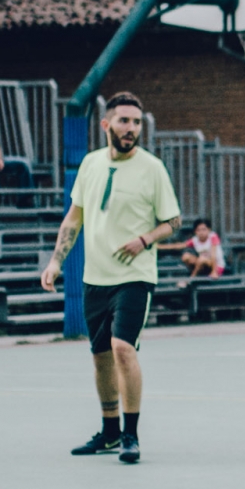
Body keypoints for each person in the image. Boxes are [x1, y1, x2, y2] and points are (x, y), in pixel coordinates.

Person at [39, 92, 181, 465]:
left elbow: (173, 221)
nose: (131, 128)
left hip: (135, 276)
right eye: (124, 121)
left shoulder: (152, 168)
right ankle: (109, 432)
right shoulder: (90, 164)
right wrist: (55, 262)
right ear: (106, 125)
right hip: (95, 277)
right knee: (101, 356)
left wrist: (144, 240)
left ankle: (131, 435)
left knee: (122, 348)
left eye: (136, 122)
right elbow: (74, 218)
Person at [161, 218, 226, 280]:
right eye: (198, 230)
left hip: (216, 266)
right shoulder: (195, 240)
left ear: (209, 230)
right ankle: (196, 275)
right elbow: (180, 245)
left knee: (202, 259)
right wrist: (160, 246)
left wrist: (214, 272)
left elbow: (213, 255)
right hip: (203, 265)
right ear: (195, 231)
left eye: (204, 229)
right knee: (186, 256)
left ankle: (191, 279)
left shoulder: (213, 237)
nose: (201, 232)